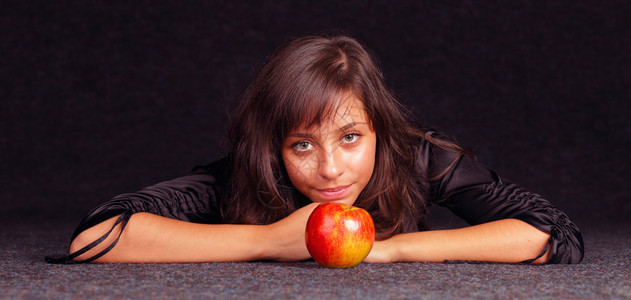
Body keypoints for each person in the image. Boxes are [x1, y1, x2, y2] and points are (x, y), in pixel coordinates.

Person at [46, 34, 584, 264]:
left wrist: (390, 250)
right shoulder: (249, 174)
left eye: (351, 138)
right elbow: (94, 238)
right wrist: (265, 241)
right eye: (302, 145)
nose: (330, 169)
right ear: (274, 149)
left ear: (380, 130)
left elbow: (551, 232)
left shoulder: (416, 158)